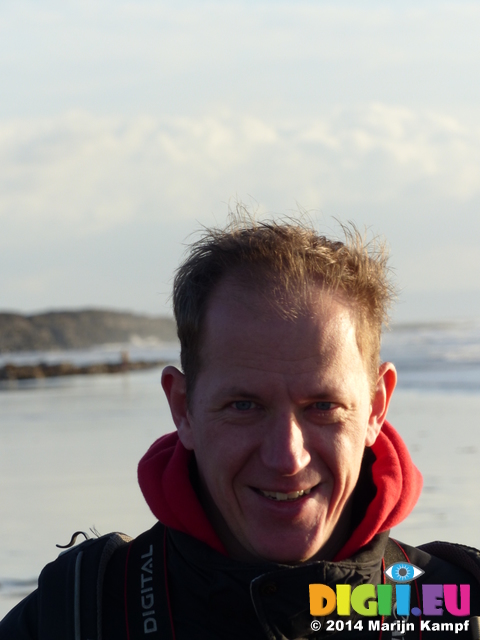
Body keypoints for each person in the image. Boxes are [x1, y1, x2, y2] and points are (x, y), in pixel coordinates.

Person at [2, 214, 480, 639]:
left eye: (322, 405)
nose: (287, 457)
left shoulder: (453, 607)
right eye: (245, 405)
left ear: (376, 407)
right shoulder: (84, 613)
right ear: (182, 407)